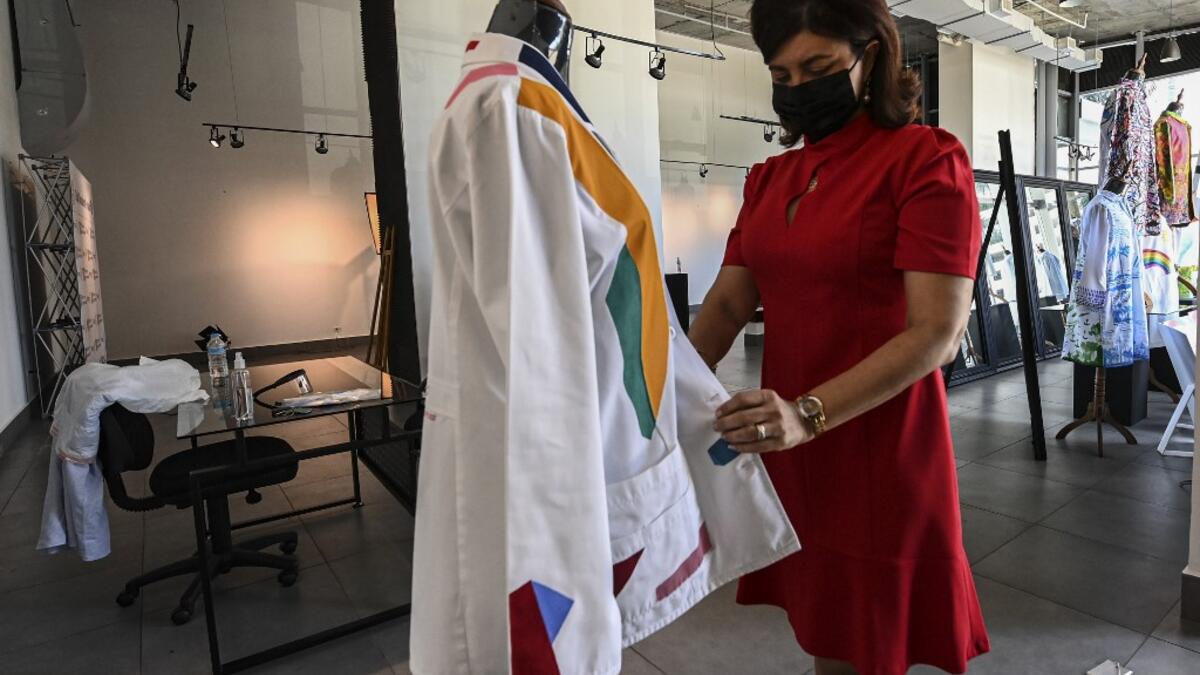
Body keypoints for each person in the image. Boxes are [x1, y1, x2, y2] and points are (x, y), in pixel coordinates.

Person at [688, 1, 991, 673]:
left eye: (819, 68)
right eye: (782, 73)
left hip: (878, 443)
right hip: (789, 446)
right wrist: (649, 383)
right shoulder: (769, 180)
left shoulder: (924, 161)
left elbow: (938, 331)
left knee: (868, 639)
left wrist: (807, 413)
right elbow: (731, 299)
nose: (799, 88)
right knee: (829, 631)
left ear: (872, 56)